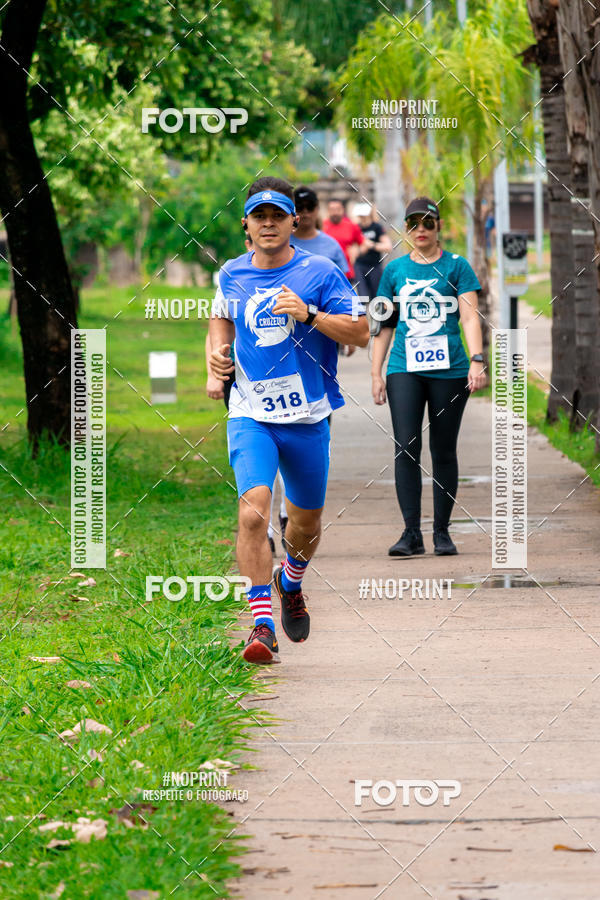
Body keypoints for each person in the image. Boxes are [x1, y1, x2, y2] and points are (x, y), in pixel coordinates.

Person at [209, 176, 369, 664]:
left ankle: (291, 582)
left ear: (292, 221)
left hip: (307, 417)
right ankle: (260, 627)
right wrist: (214, 360)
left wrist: (309, 314)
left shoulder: (319, 271)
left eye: (277, 216)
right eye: (260, 217)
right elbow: (221, 318)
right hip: (250, 412)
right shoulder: (231, 274)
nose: (269, 224)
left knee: (305, 523)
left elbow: (361, 332)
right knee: (253, 509)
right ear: (246, 226)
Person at [370, 196, 486, 558]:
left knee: (443, 448)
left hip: (449, 370)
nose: (420, 230)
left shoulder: (457, 266)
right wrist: (376, 371)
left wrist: (477, 359)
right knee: (406, 445)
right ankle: (410, 533)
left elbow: (469, 316)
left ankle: (441, 532)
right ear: (405, 230)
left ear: (439, 226)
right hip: (405, 368)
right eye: (413, 224)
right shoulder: (395, 271)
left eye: (427, 223)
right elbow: (385, 325)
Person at [290, 186, 350, 276]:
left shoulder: (332, 245)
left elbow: (341, 284)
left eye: (310, 207)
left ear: (317, 208)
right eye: (299, 207)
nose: (305, 211)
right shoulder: (282, 243)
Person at [353, 202, 392, 301]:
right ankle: (364, 316)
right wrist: (362, 249)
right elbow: (353, 251)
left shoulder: (377, 227)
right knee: (363, 297)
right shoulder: (356, 228)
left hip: (375, 266)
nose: (362, 217)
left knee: (377, 296)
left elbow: (388, 247)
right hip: (360, 266)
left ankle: (378, 315)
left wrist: (372, 245)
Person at [322, 197, 364, 282]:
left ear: (343, 210)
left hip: (347, 273)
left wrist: (357, 251)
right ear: (328, 211)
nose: (335, 212)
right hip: (325, 273)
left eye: (338, 209)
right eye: (332, 210)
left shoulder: (351, 226)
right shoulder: (322, 227)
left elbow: (364, 243)